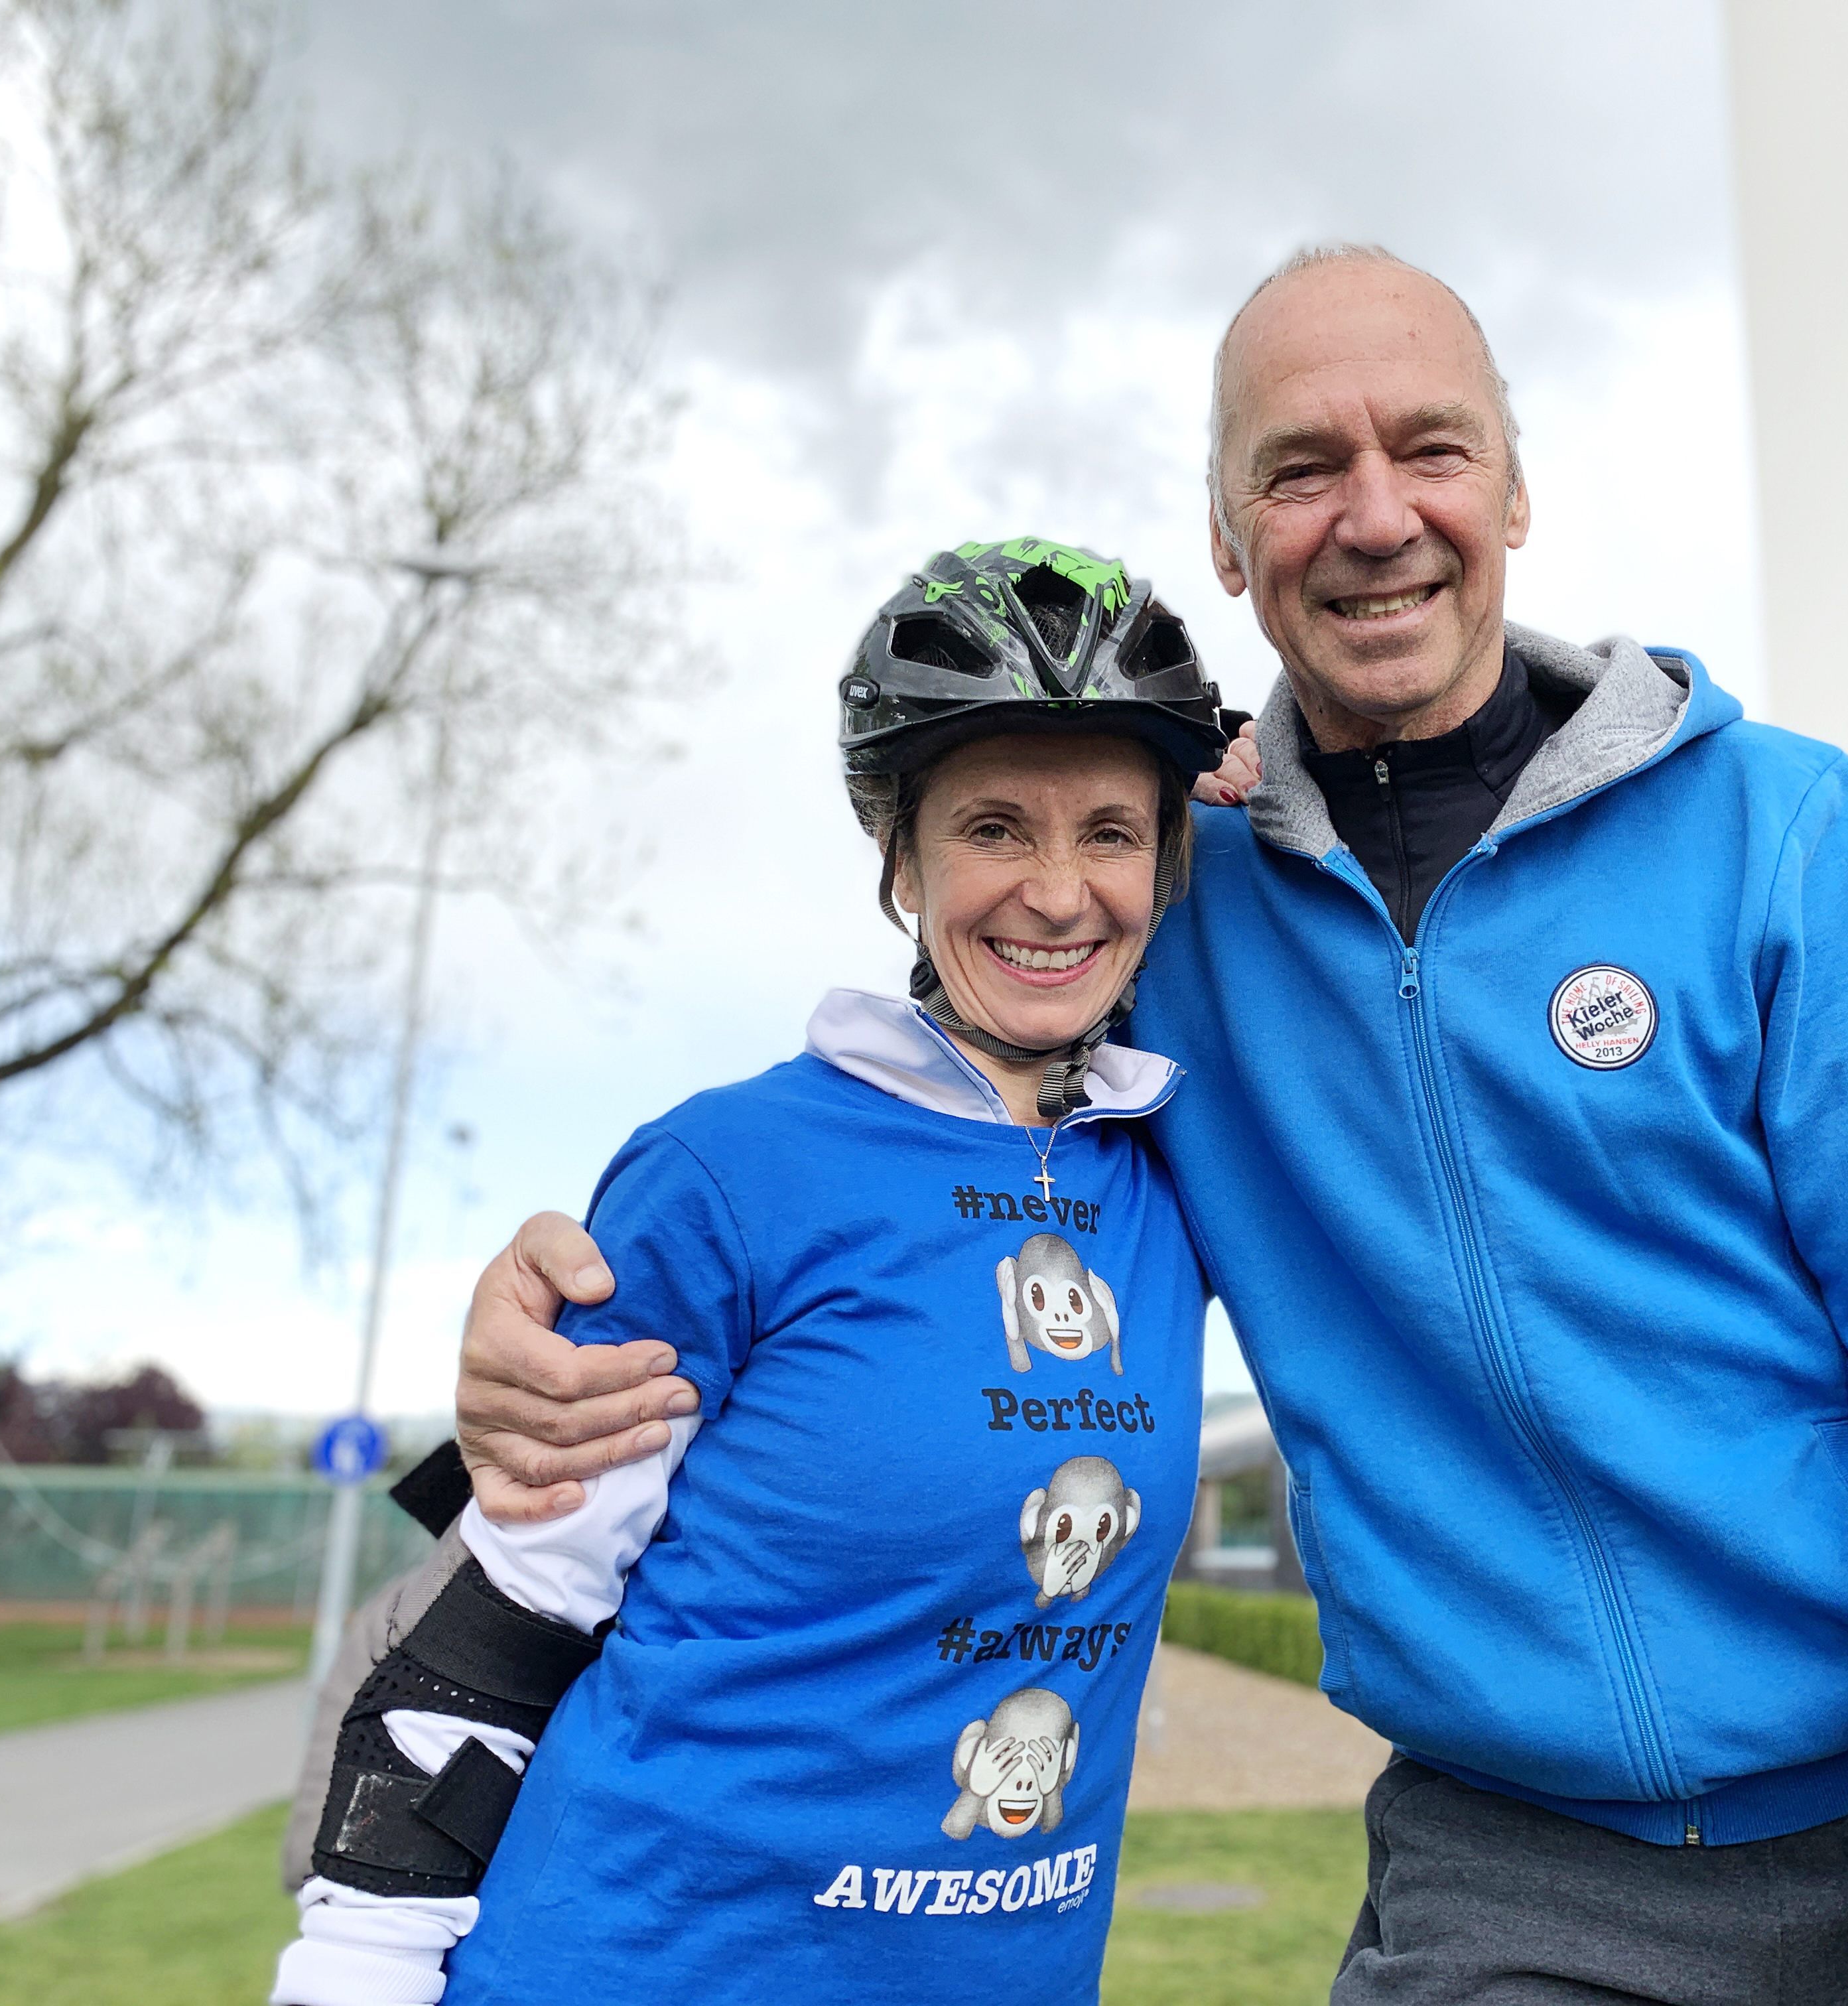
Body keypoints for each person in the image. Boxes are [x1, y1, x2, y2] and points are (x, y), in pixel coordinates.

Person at [448, 248, 1848, 2006]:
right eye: (1299, 470)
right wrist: (563, 1296)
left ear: (1515, 487)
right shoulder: (1168, 905)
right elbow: (913, 1122)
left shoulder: (1779, 831)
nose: (1374, 519)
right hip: (1520, 1877)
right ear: (1228, 541)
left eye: (1430, 450)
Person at [271, 539, 1256, 2006]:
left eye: (1110, 832)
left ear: (1169, 861)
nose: (1058, 892)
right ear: (901, 859)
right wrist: (348, 1976)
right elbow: (499, 1624)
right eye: (995, 826)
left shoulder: (1172, 1168)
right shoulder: (728, 1170)